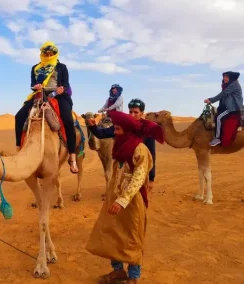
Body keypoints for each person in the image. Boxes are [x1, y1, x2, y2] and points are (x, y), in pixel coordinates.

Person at [85, 111, 164, 284]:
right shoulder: (120, 147)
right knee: (114, 236)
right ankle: (118, 272)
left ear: (128, 129)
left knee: (132, 238)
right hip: (114, 199)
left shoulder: (140, 149)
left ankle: (134, 277)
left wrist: (122, 200)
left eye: (118, 129)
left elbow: (139, 177)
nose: (116, 132)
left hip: (132, 202)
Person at [14, 41, 79, 173]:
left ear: (55, 54)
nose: (49, 55)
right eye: (46, 53)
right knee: (19, 117)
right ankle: (18, 148)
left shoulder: (61, 67)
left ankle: (72, 156)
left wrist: (60, 90)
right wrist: (36, 86)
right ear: (42, 54)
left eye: (51, 53)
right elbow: (32, 84)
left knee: (67, 120)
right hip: (40, 94)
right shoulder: (36, 68)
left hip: (59, 96)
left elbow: (65, 84)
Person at [88, 98, 157, 189]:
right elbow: (102, 134)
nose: (132, 115)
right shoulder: (121, 126)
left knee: (136, 200)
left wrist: (151, 178)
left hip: (139, 172)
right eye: (130, 112)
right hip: (122, 171)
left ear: (142, 113)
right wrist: (93, 127)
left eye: (136, 112)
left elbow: (151, 154)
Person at [204, 71, 242, 146]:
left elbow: (223, 94)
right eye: (224, 77)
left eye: (226, 77)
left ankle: (217, 138)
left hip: (233, 108)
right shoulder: (227, 85)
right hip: (228, 106)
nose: (224, 78)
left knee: (218, 117)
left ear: (231, 78)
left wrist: (210, 100)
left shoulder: (234, 84)